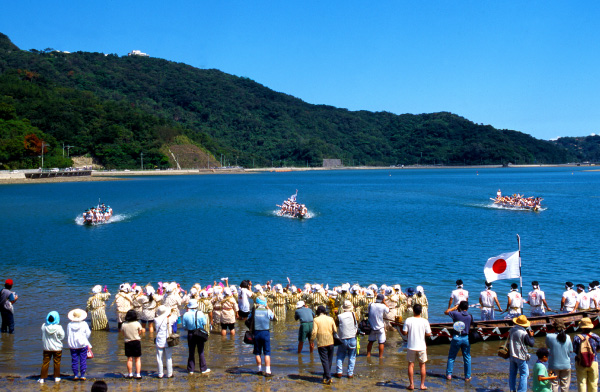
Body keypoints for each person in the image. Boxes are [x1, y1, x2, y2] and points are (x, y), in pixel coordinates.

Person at [402, 304, 432, 391]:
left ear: (413, 311)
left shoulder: (408, 320)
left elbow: (404, 332)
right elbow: (429, 334)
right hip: (422, 346)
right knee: (422, 365)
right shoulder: (425, 321)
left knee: (411, 365)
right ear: (421, 311)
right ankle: (422, 385)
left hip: (411, 346)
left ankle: (411, 384)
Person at [444, 301, 472, 381]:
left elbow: (446, 312)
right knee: (467, 357)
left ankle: (449, 375)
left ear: (459, 307)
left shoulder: (456, 314)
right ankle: (467, 376)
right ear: (467, 307)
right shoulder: (469, 316)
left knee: (452, 357)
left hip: (456, 337)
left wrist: (454, 307)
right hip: (466, 337)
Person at [248, 297, 276, 377]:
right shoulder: (267, 311)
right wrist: (268, 307)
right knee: (267, 352)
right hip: (265, 332)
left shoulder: (254, 311)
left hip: (256, 332)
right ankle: (268, 371)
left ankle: (259, 370)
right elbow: (273, 317)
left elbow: (249, 318)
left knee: (257, 352)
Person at [182, 299, 210, 375]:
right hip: (199, 333)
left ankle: (191, 369)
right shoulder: (200, 313)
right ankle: (203, 368)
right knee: (201, 351)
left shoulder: (186, 314)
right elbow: (204, 322)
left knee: (191, 351)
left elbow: (184, 326)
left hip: (190, 333)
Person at [507, 315, 535, 392]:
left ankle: (512, 389)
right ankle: (521, 390)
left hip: (512, 354)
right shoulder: (523, 333)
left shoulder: (512, 329)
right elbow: (531, 344)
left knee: (512, 373)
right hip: (521, 356)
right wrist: (531, 336)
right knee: (524, 375)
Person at [572, 317, 600, 392]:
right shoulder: (596, 337)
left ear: (582, 328)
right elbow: (598, 349)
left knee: (582, 383)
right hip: (593, 361)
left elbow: (574, 350)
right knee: (593, 383)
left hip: (580, 361)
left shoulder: (577, 337)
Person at [311, 305, 337, 385]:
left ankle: (328, 377)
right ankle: (325, 377)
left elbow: (314, 332)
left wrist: (311, 340)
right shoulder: (330, 318)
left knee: (324, 360)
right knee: (329, 360)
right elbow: (335, 330)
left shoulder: (316, 320)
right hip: (330, 341)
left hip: (321, 342)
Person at [545, 319, 573, 392]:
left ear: (554, 327)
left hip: (553, 365)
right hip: (566, 365)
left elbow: (548, 347)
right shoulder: (568, 337)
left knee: (554, 384)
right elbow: (570, 351)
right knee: (565, 386)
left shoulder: (549, 336)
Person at [38, 311, 65, 384]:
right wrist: (57, 338)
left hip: (47, 348)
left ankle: (42, 378)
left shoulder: (43, 326)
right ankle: (56, 377)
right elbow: (62, 337)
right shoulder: (59, 327)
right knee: (57, 362)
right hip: (57, 348)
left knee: (45, 362)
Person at [335, 301, 358, 379]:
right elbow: (357, 323)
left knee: (340, 355)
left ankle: (339, 372)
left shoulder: (339, 316)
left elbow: (336, 325)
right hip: (352, 337)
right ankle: (350, 373)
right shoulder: (354, 315)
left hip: (342, 338)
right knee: (352, 356)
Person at [67, 308, 91, 381]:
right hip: (82, 344)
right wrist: (85, 338)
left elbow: (68, 334)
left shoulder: (69, 324)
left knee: (74, 360)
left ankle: (76, 375)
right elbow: (88, 333)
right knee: (83, 360)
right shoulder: (84, 324)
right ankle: (83, 375)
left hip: (73, 345)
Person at [122, 309, 145, 379]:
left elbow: (123, 334)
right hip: (136, 341)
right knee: (137, 359)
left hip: (128, 342)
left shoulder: (124, 324)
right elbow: (140, 332)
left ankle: (130, 374)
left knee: (129, 359)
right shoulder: (137, 323)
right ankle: (138, 374)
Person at [154, 305, 175, 378]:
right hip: (167, 339)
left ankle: (160, 374)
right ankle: (169, 373)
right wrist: (170, 313)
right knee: (169, 357)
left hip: (159, 339)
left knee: (159, 358)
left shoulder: (156, 319)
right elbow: (175, 318)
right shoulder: (169, 319)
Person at [366, 293, 390, 358]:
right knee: (381, 343)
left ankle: (368, 355)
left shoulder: (370, 304)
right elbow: (388, 310)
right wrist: (384, 302)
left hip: (371, 327)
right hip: (380, 327)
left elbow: (369, 312)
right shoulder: (383, 306)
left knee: (370, 341)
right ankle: (380, 357)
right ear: (382, 300)